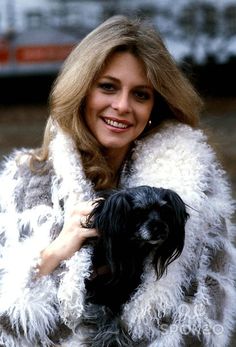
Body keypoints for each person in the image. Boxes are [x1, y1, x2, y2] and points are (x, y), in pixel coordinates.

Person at [0, 15, 235, 347]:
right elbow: (6, 326)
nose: (122, 106)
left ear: (156, 104)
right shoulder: (24, 183)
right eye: (108, 87)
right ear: (81, 91)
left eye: (141, 94)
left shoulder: (195, 186)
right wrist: (53, 254)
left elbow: (206, 321)